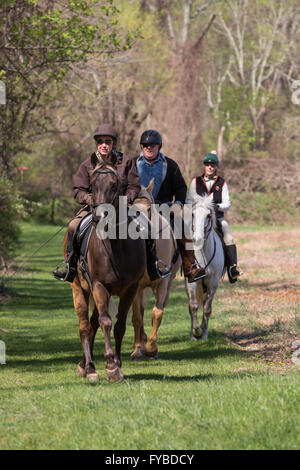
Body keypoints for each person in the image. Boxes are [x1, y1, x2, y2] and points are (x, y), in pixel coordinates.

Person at [53, 123, 141, 282]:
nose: (104, 145)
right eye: (100, 141)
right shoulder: (88, 163)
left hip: (121, 208)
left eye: (108, 141)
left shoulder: (126, 161)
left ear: (113, 143)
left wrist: (126, 199)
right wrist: (91, 200)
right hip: (95, 208)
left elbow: (134, 186)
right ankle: (70, 266)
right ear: (96, 143)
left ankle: (151, 264)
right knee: (73, 225)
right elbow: (79, 190)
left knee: (144, 225)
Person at [134, 129, 206, 283]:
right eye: (145, 145)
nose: (149, 147)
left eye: (152, 145)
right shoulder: (132, 164)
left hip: (163, 208)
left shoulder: (170, 165)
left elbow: (180, 187)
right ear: (141, 147)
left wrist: (178, 204)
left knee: (182, 225)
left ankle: (191, 266)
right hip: (137, 209)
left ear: (159, 146)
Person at [186, 150, 242, 282]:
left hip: (217, 218)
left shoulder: (221, 183)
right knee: (185, 236)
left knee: (229, 237)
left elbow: (227, 203)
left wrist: (217, 207)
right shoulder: (195, 182)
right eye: (207, 164)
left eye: (213, 165)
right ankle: (185, 265)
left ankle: (232, 268)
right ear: (204, 166)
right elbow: (188, 200)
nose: (210, 167)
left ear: (216, 167)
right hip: (198, 218)